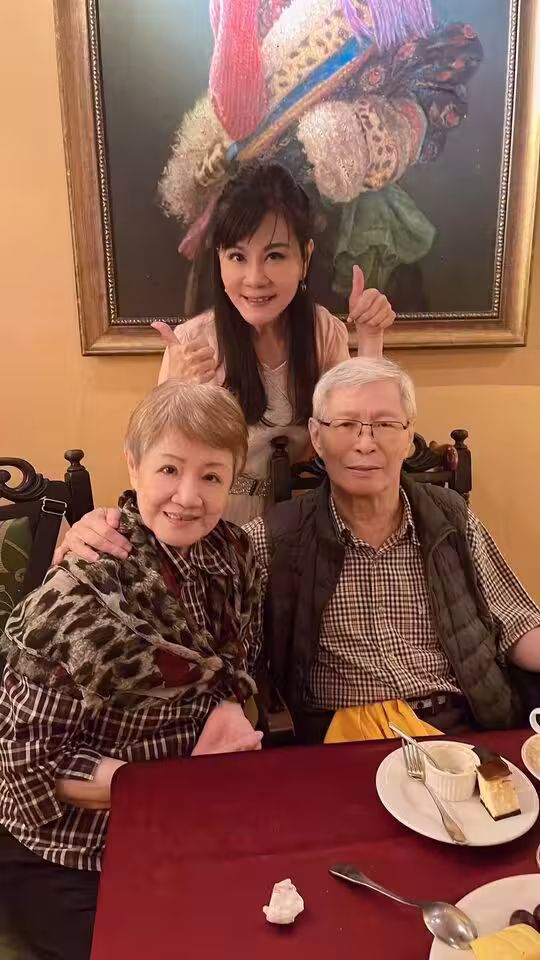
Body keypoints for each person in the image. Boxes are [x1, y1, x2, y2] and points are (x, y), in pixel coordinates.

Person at [59, 359, 540, 745]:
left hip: (462, 726)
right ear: (316, 437)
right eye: (346, 424)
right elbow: (182, 538)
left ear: (408, 434)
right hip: (339, 738)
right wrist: (101, 527)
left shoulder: (450, 517)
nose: (365, 443)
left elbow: (516, 623)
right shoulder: (272, 538)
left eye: (384, 424)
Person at [0, 381, 263, 960]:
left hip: (189, 815)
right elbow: (24, 768)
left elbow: (233, 663)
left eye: (211, 476)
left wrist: (225, 709)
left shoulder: (232, 556)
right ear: (133, 464)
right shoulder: (77, 596)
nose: (188, 497)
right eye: (169, 469)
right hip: (71, 848)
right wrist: (159, 788)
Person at [153, 161, 395, 524]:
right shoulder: (190, 344)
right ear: (219, 259)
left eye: (275, 256)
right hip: (215, 525)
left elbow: (359, 434)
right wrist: (179, 396)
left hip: (303, 521)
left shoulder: (323, 332)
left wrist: (371, 338)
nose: (254, 278)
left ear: (305, 258)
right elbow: (159, 472)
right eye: (237, 257)